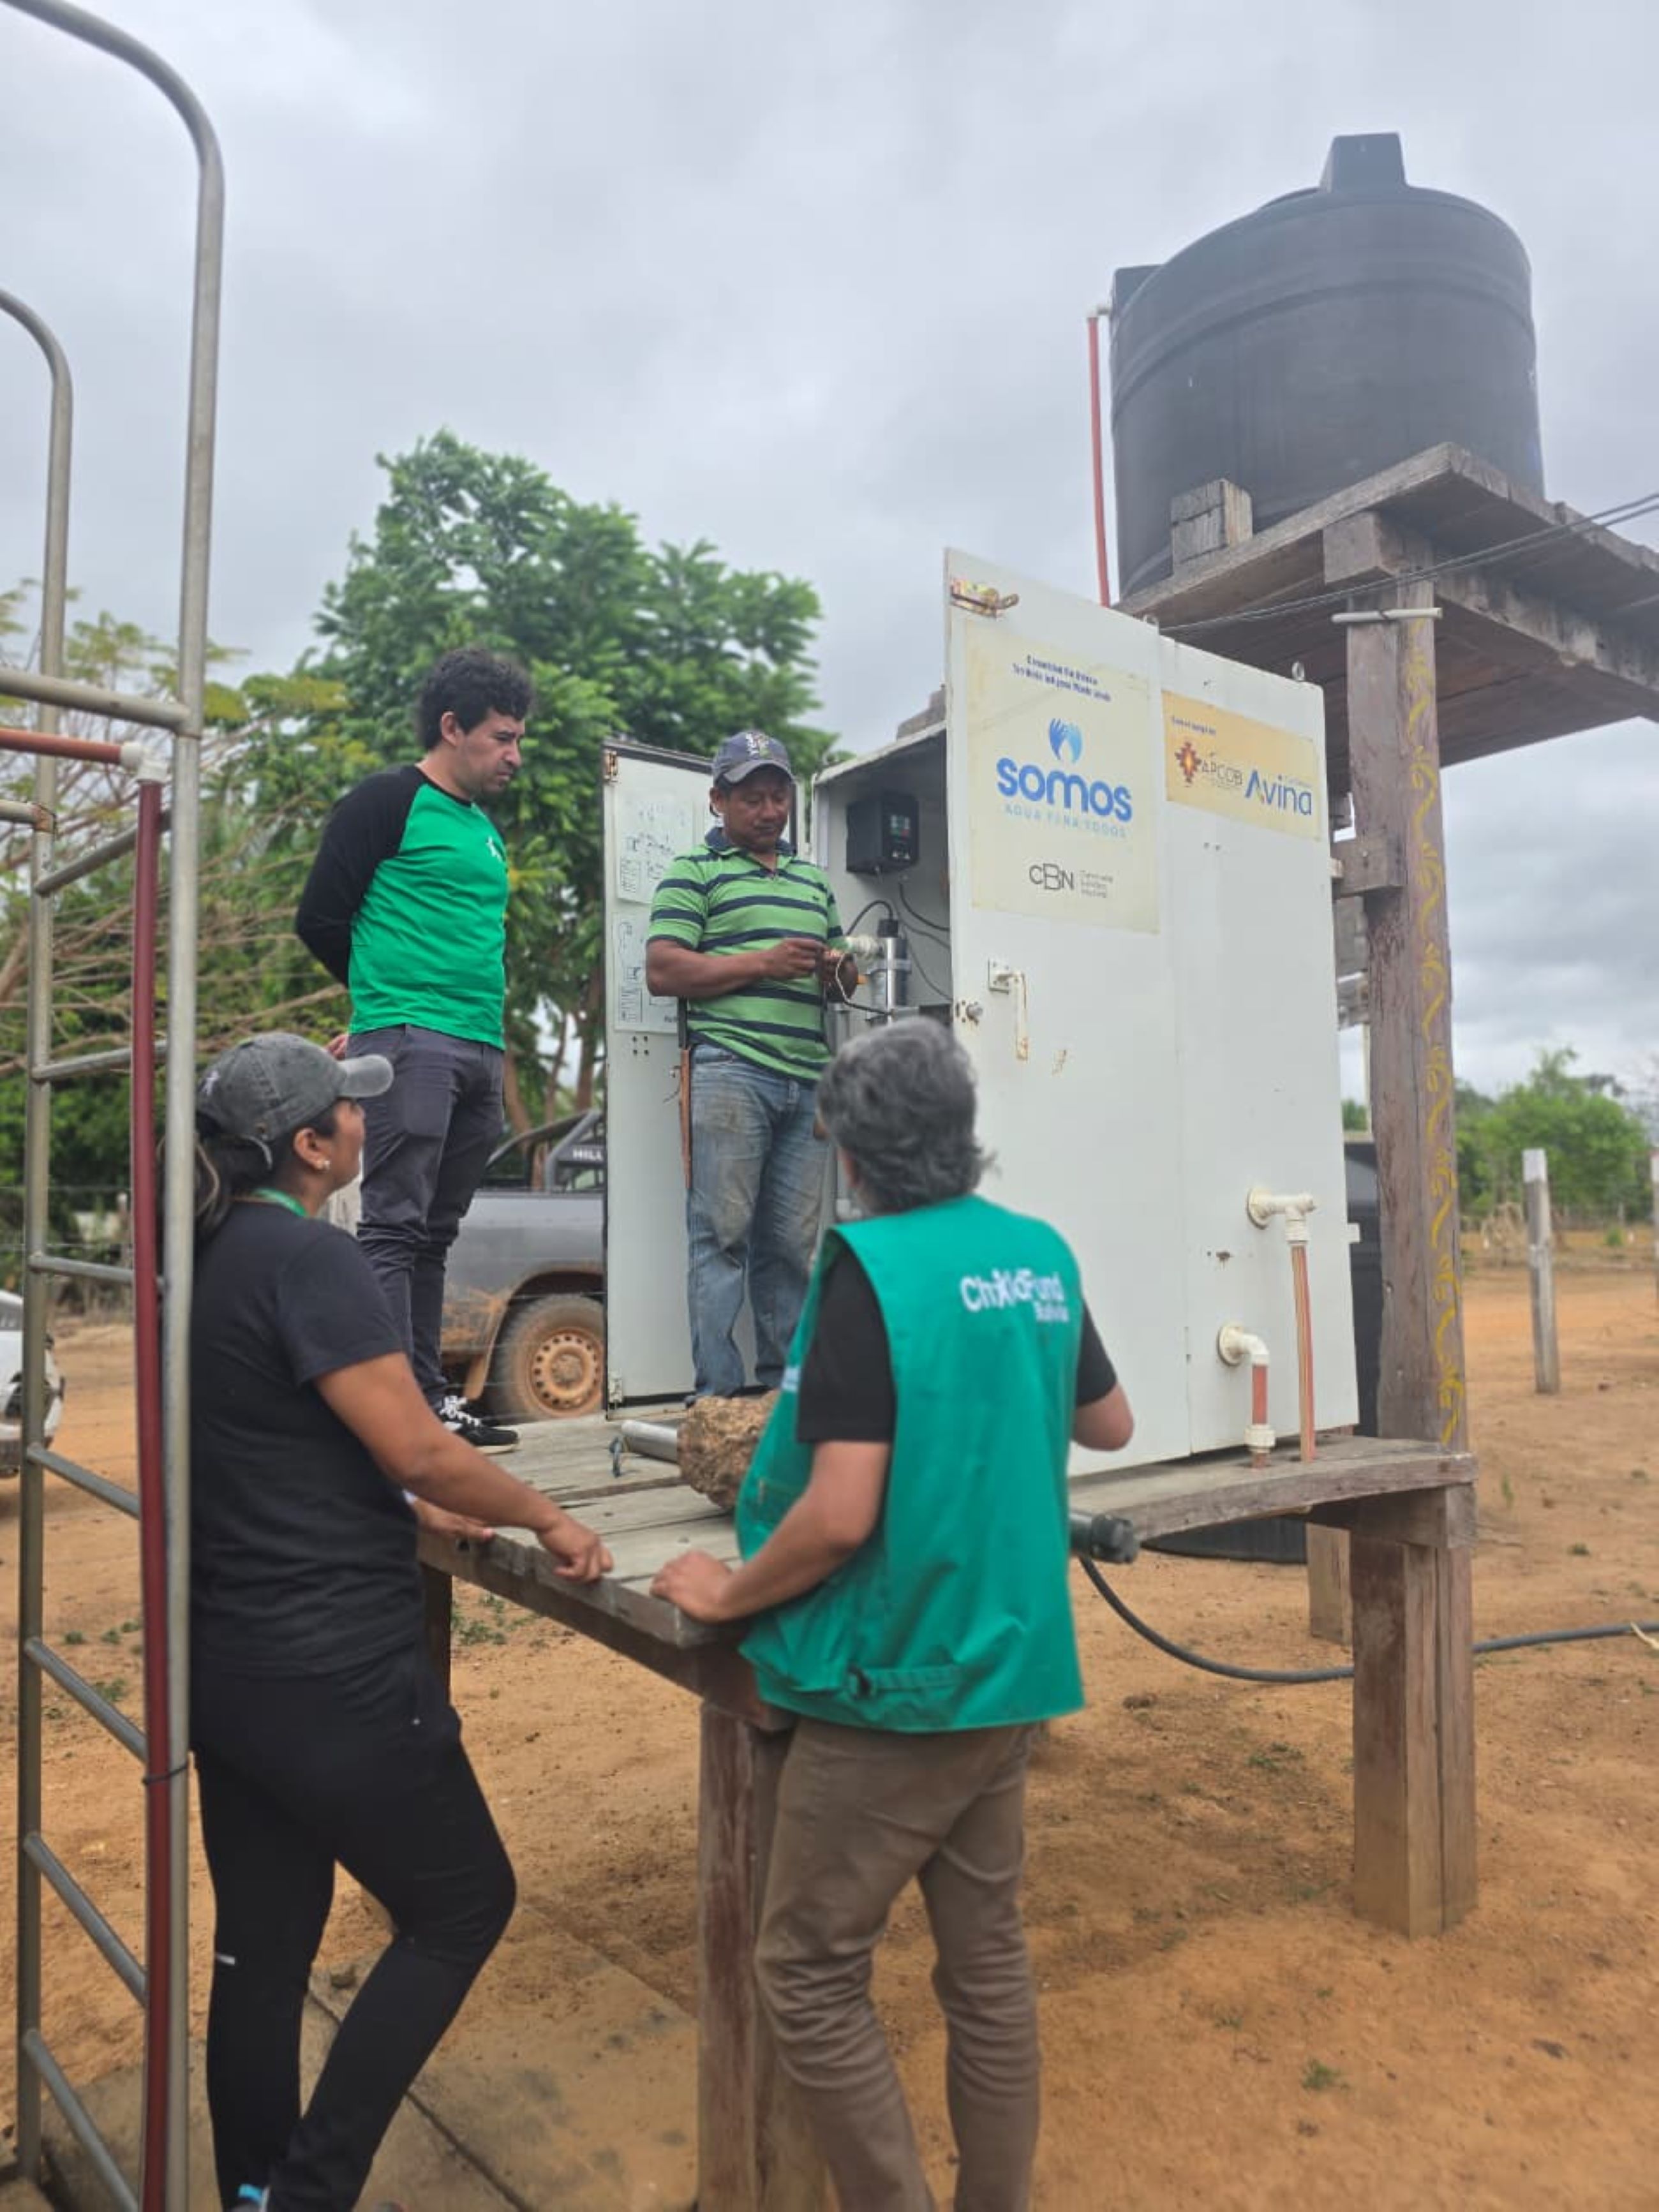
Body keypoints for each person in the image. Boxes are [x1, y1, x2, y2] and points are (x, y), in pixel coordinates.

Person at [651, 1020, 1133, 2212]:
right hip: (1010, 1664)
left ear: (848, 1151)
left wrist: (723, 1590)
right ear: (964, 1137)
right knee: (987, 1969)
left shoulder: (872, 1271)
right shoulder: (1039, 1254)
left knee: (806, 1972)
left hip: (900, 1680)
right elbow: (1109, 1425)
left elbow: (838, 1516)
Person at [188, 1030, 613, 2212]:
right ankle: (317, 2190)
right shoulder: (309, 1259)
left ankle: (254, 2192)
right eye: (349, 1111)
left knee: (262, 1952)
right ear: (311, 1145)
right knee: (463, 1901)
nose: (368, 1124)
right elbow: (418, 1439)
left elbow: (291, 1436)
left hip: (230, 1668)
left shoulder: (206, 1253)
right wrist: (543, 1515)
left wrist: (405, 1490)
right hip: (334, 1668)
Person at [295, 645, 532, 1451]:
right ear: (451, 727)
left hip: (477, 1047)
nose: (514, 755)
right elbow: (321, 915)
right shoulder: (386, 801)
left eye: (518, 739)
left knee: (435, 1230)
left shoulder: (481, 830)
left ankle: (430, 1399)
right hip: (411, 1041)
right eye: (501, 737)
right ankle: (391, 1408)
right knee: (393, 1225)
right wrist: (377, 1014)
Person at [644, 730, 854, 1399]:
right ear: (718, 800)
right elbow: (662, 968)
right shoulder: (692, 872)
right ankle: (715, 1396)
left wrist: (838, 968)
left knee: (791, 1247)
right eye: (752, 798)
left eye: (778, 796)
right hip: (731, 1069)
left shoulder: (812, 883)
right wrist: (762, 962)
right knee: (721, 1236)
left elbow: (843, 980)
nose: (768, 811)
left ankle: (784, 1395)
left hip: (808, 1080)